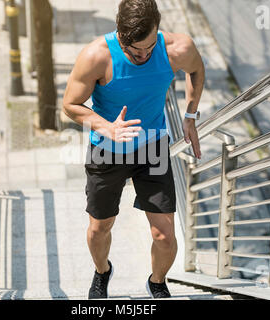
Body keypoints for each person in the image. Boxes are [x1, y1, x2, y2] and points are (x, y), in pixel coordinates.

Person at [63, 0, 204, 299]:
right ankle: (102, 272)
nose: (142, 55)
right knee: (99, 229)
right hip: (107, 150)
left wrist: (190, 115)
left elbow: (196, 70)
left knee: (164, 236)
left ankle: (157, 282)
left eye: (149, 47)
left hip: (152, 146)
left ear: (157, 28)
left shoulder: (177, 48)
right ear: (120, 33)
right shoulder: (96, 56)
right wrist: (106, 127)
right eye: (134, 50)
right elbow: (70, 105)